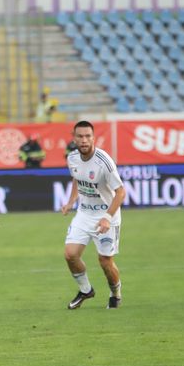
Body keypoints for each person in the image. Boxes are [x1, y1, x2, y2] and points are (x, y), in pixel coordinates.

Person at [61, 121, 126, 309]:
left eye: (88, 136)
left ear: (93, 138)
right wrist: (71, 201)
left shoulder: (104, 162)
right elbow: (77, 178)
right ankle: (85, 290)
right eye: (80, 136)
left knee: (105, 261)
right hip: (84, 213)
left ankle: (116, 294)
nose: (84, 140)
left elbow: (121, 192)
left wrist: (107, 217)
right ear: (74, 138)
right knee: (70, 254)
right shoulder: (72, 158)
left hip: (107, 215)